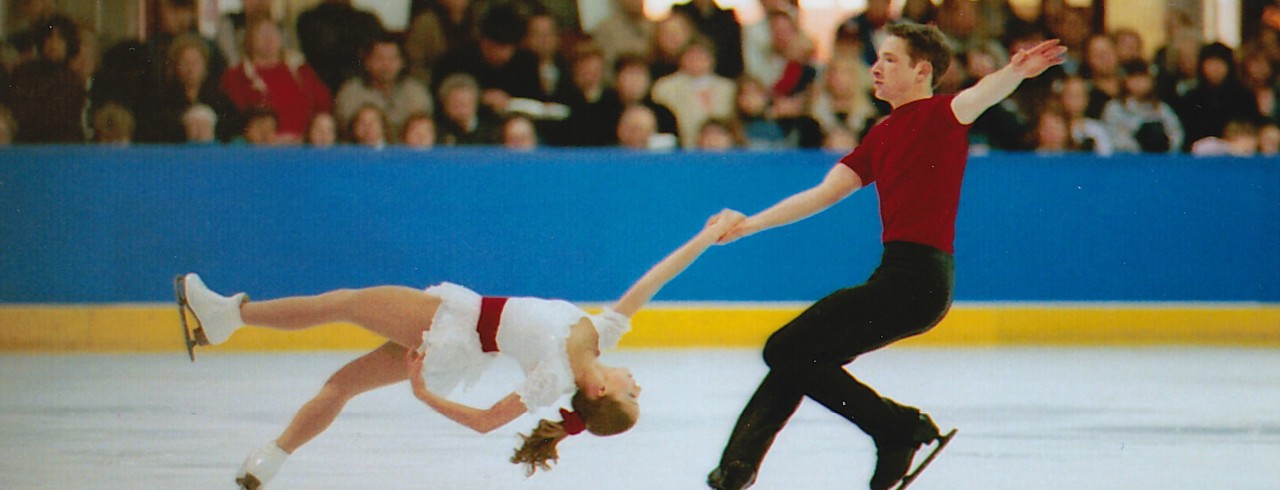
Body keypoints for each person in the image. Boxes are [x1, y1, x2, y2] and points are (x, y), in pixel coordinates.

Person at [706, 22, 1065, 490]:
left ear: (922, 71)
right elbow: (823, 194)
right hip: (901, 278)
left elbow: (981, 94)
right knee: (798, 355)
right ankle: (737, 468)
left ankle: (896, 427)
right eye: (877, 59)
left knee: (785, 348)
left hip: (919, 280)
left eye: (889, 60)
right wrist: (749, 225)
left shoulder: (942, 115)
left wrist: (1015, 72)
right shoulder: (882, 134)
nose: (875, 68)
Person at [175, 209, 747, 489]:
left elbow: (483, 424)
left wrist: (423, 391)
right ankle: (267, 462)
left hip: (456, 324)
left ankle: (230, 317)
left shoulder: (553, 377)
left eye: (631, 394)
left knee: (344, 302)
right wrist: (704, 236)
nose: (638, 383)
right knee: (343, 384)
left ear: (598, 392)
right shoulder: (605, 335)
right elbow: (656, 280)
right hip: (455, 341)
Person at [221, 18, 332, 144]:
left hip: (304, 147)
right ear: (249, 39)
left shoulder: (301, 71)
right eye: (262, 33)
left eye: (273, 32)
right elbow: (235, 119)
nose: (269, 38)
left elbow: (325, 104)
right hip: (261, 150)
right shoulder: (237, 76)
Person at [333, 34, 433, 133]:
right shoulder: (351, 92)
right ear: (367, 62)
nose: (386, 64)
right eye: (379, 58)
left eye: (392, 58)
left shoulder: (416, 92)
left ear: (402, 62)